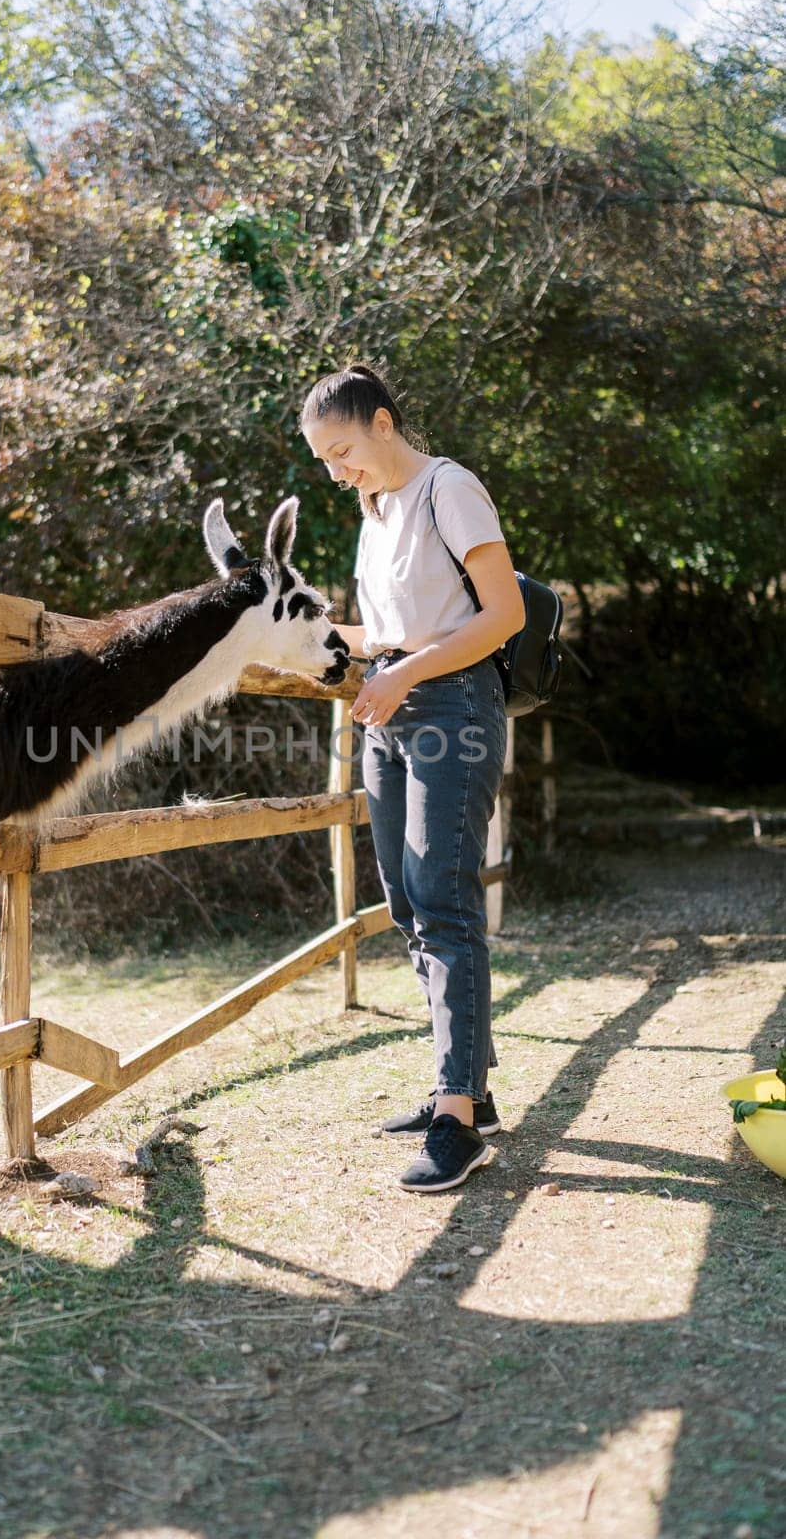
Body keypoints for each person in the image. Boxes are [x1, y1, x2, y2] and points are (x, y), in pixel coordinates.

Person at [301, 363, 525, 1192]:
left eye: (342, 449)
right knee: (406, 900)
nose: (335, 471)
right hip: (389, 711)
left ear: (384, 424)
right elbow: (391, 630)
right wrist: (313, 631)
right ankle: (464, 1086)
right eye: (323, 459)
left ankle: (457, 1120)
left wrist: (401, 672)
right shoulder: (378, 513)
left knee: (444, 898)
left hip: (453, 707)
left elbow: (504, 614)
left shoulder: (447, 488)